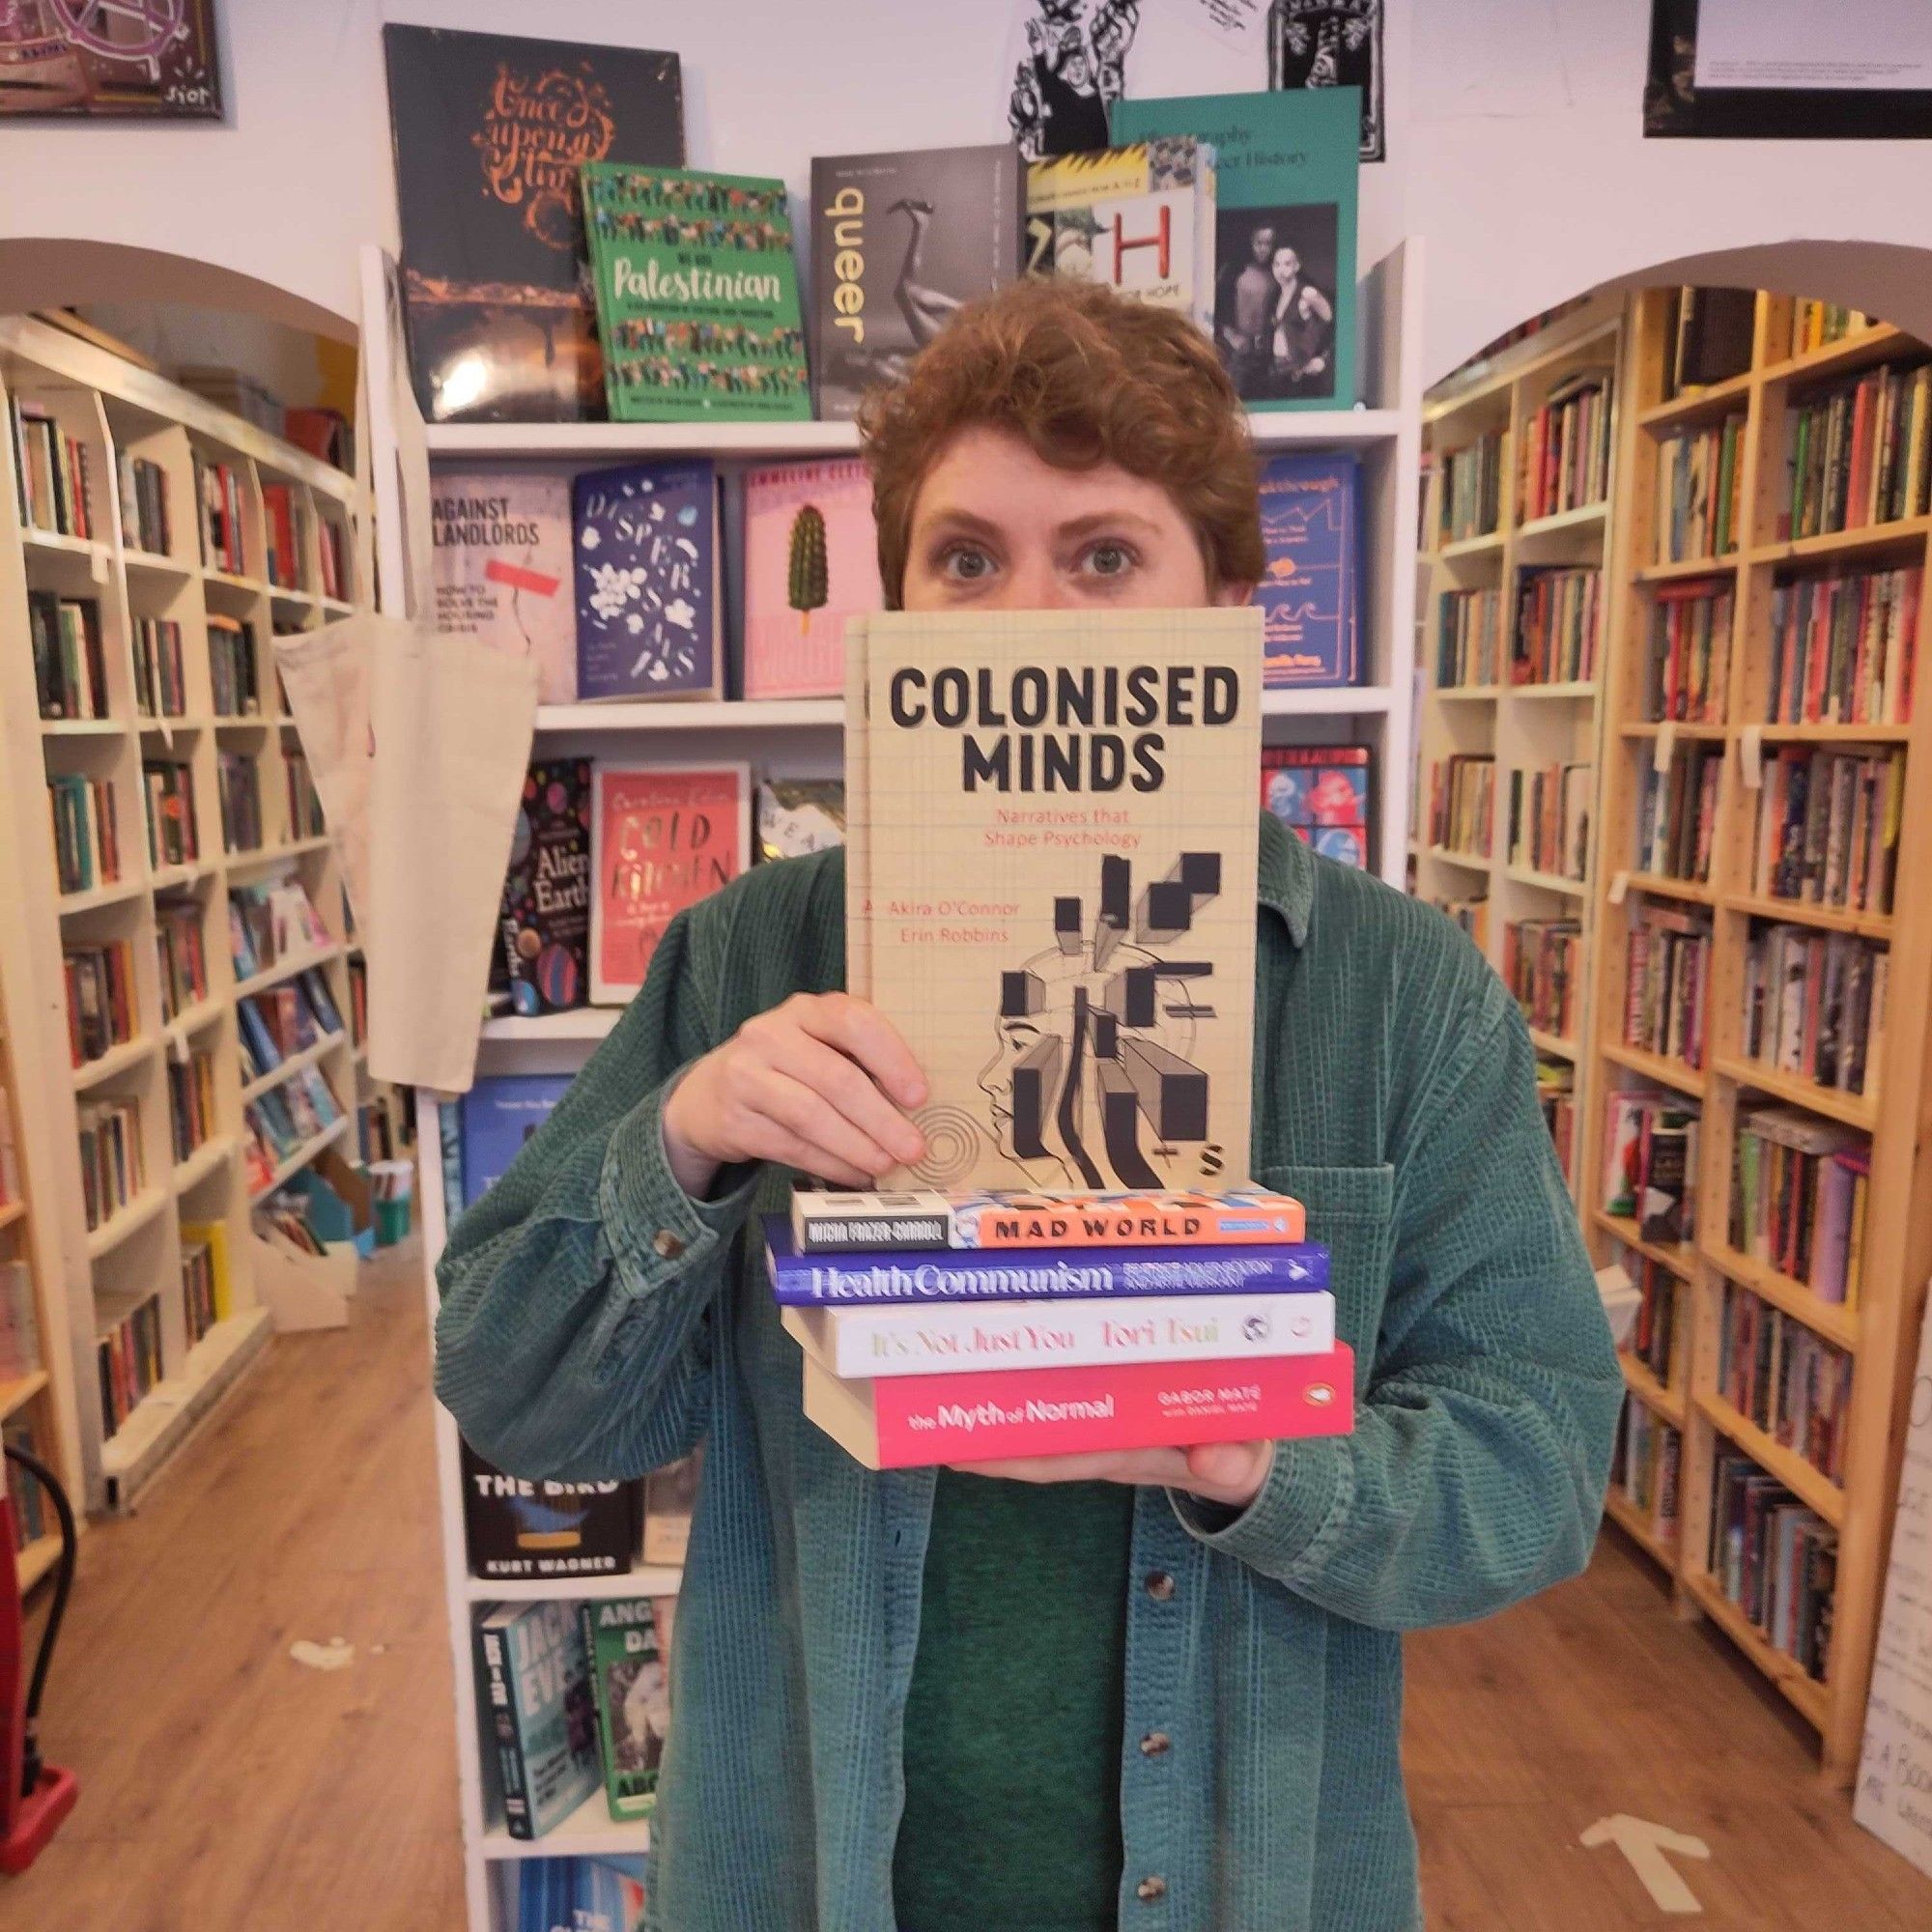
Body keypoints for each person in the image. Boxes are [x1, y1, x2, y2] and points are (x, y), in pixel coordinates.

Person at [435, 277, 1621, 1932]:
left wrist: (1262, 1463)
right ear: (903, 611)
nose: (1030, 621)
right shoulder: (743, 961)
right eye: (969, 560)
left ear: (1231, 602)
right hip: (821, 1873)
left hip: (1237, 1883)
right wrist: (688, 1136)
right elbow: (513, 1393)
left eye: (1108, 556)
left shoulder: (1402, 993)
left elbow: (1543, 1461)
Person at [1266, 242, 1337, 399]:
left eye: (1287, 264)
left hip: (1300, 375)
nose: (1281, 270)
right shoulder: (1275, 296)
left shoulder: (1307, 293)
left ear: (1296, 266)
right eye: (1276, 264)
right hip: (1278, 372)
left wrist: (1323, 359)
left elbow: (1334, 325)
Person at [1218, 218, 1279, 395]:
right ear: (1251, 242)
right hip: (1237, 352)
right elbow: (1217, 305)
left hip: (1267, 354)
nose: (1263, 248)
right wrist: (1230, 336)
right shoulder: (1232, 271)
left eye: (1268, 243)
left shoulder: (1279, 273)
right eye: (1258, 243)